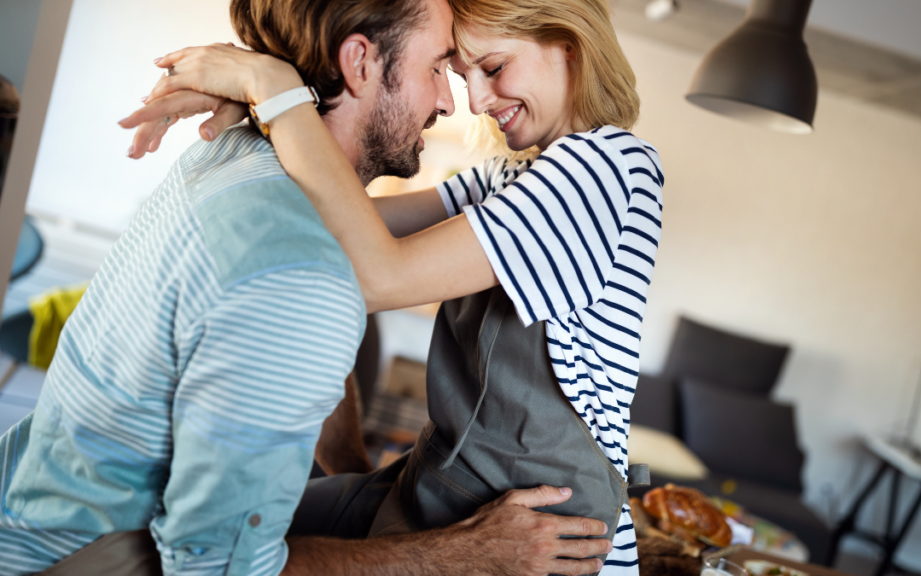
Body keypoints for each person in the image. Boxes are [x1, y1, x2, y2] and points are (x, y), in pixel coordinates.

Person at [0, 0, 612, 575]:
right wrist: (457, 554)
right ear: (360, 62)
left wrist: (347, 475)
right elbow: (219, 567)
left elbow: (343, 256)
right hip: (83, 559)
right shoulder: (299, 277)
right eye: (439, 67)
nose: (456, 102)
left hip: (33, 511)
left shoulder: (235, 154)